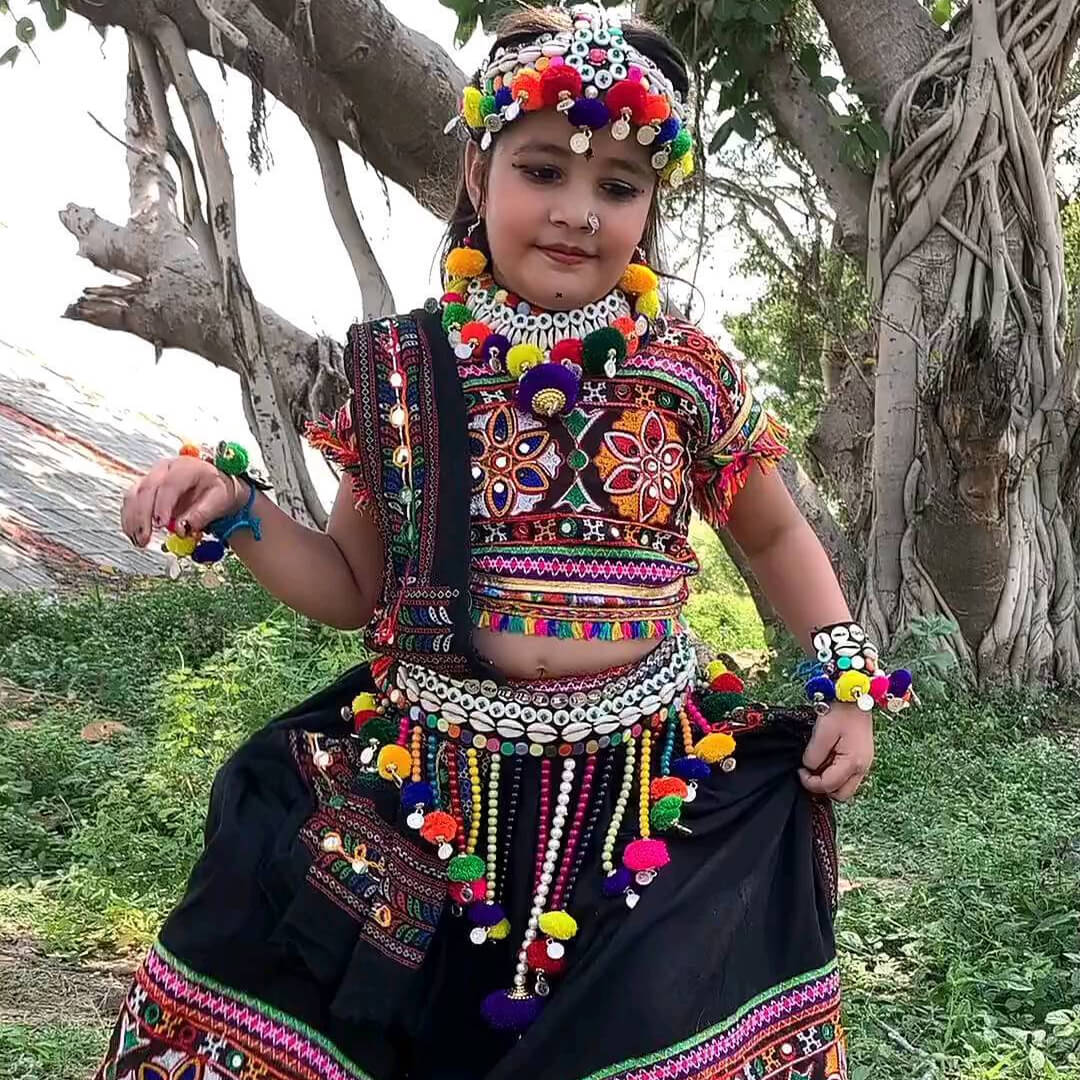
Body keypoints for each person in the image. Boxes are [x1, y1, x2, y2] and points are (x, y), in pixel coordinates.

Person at [99, 6, 913, 1079]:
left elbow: (774, 536)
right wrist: (242, 513)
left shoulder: (684, 371)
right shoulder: (398, 372)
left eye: (619, 187)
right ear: (479, 178)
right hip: (428, 780)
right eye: (544, 171)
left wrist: (845, 679)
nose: (578, 212)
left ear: (651, 206)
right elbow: (352, 586)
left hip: (647, 787)